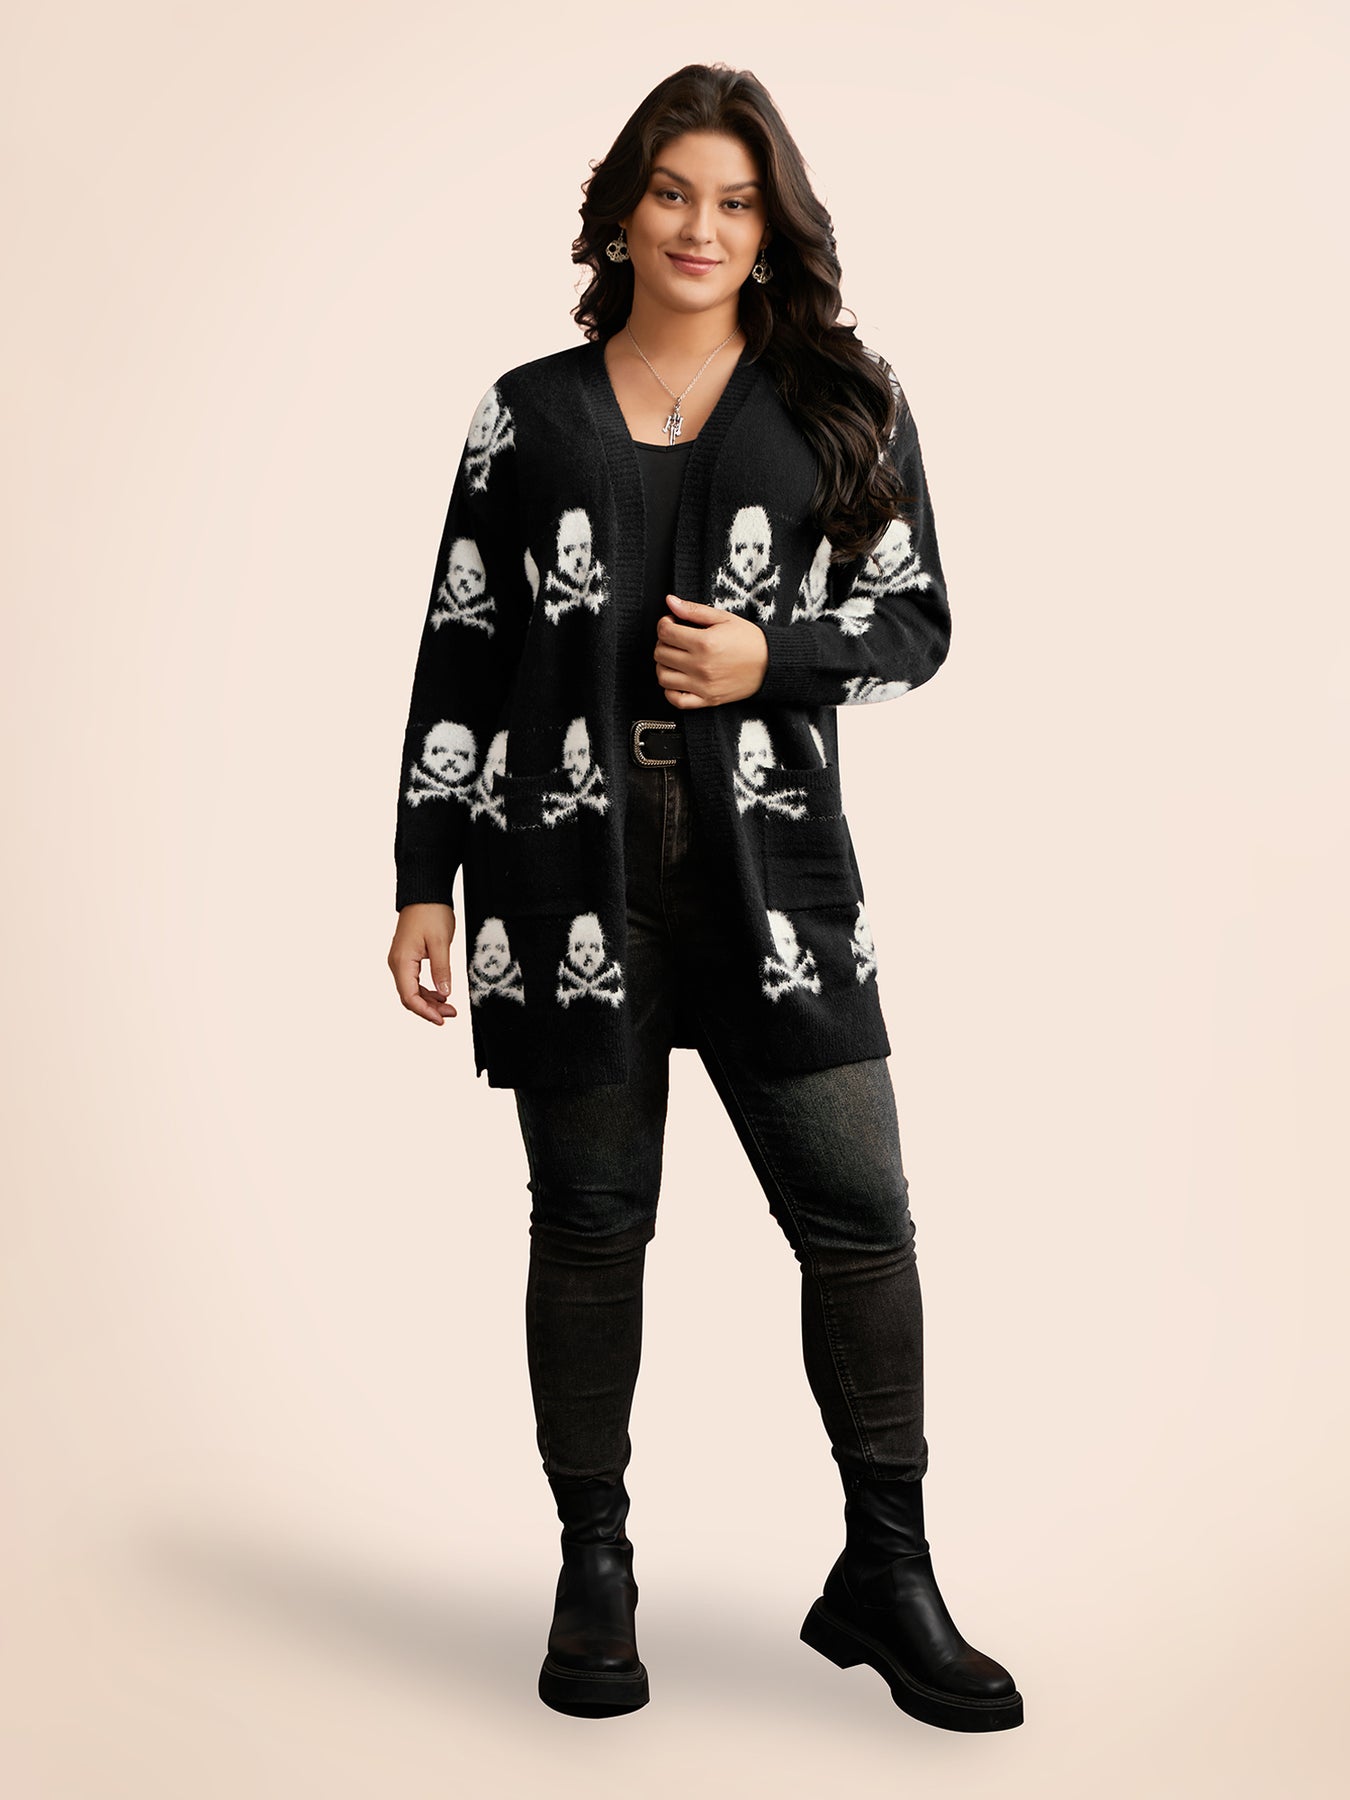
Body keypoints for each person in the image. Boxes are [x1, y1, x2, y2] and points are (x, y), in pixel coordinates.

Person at [387, 62, 1022, 1732]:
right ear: (621, 210)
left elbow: (914, 625)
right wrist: (423, 873)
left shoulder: (841, 402)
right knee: (591, 1222)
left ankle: (886, 1571)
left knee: (858, 1215)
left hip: (773, 874)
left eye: (736, 202)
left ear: (770, 225)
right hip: (557, 871)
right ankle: (593, 1568)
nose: (701, 226)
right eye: (673, 192)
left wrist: (771, 657)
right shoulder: (524, 415)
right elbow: (461, 643)